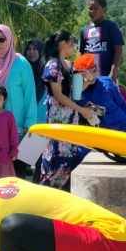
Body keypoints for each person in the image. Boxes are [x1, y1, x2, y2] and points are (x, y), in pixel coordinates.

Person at [38, 31, 91, 189]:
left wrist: (88, 81)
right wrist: (81, 110)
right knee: (54, 163)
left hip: (71, 122)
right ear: (63, 43)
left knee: (69, 161)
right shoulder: (53, 65)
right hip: (58, 123)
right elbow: (59, 96)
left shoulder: (70, 64)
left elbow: (76, 92)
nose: (74, 46)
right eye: (72, 42)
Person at [73, 53, 126, 134]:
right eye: (89, 71)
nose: (93, 74)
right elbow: (75, 98)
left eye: (94, 70)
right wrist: (87, 82)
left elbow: (122, 104)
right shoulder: (79, 93)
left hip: (123, 127)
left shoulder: (106, 83)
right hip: (102, 134)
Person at [79, 0, 125, 82]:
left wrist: (113, 72)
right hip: (88, 81)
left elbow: (118, 51)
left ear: (104, 10)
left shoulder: (111, 27)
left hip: (107, 79)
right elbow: (82, 54)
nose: (92, 11)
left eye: (95, 8)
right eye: (90, 8)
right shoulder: (84, 31)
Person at [24, 38, 48, 125]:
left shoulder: (46, 70)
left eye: (35, 49)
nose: (31, 52)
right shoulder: (22, 69)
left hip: (41, 113)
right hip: (24, 113)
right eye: (29, 49)